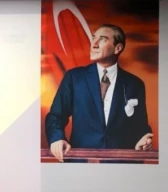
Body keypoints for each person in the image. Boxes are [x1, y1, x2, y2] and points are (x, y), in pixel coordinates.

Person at [45, 23, 153, 162]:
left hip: (121, 166)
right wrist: (57, 138)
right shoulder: (74, 77)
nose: (94, 44)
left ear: (118, 48)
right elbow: (56, 116)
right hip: (81, 164)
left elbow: (140, 125)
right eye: (93, 38)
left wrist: (143, 139)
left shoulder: (135, 84)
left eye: (102, 39)